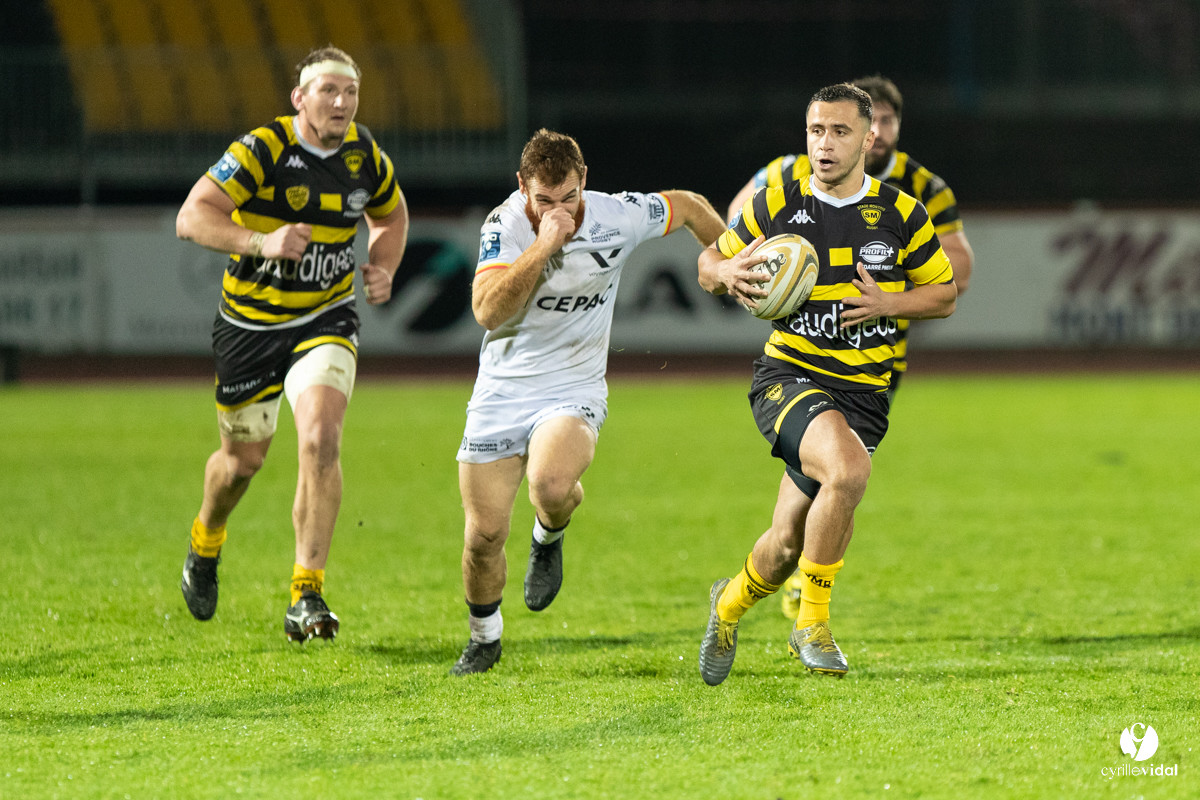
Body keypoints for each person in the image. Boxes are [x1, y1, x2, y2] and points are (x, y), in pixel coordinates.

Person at [696, 84, 956, 685]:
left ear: (869, 139)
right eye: (816, 131)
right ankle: (812, 624)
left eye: (840, 132)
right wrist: (725, 269)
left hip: (863, 395)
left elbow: (943, 294)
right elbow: (708, 261)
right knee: (848, 472)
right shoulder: (776, 203)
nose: (825, 144)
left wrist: (890, 300)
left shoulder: (901, 213)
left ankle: (728, 604)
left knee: (786, 542)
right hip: (788, 377)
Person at [450, 128, 727, 675]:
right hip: (502, 392)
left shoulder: (615, 215)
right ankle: (485, 638)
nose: (560, 210)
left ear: (585, 184)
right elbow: (486, 310)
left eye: (569, 198)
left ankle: (548, 536)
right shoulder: (503, 226)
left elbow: (691, 207)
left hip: (572, 388)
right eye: (544, 200)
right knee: (483, 536)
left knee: (551, 485)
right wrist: (544, 244)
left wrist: (735, 260)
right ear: (522, 189)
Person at [174, 46, 408, 642]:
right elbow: (192, 217)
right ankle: (206, 542)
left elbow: (392, 214)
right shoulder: (262, 150)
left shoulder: (364, 155)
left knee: (322, 437)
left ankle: (307, 593)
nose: (341, 102)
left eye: (350, 92)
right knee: (240, 463)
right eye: (328, 90)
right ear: (299, 98)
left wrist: (383, 264)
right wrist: (262, 241)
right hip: (250, 327)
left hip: (324, 318)